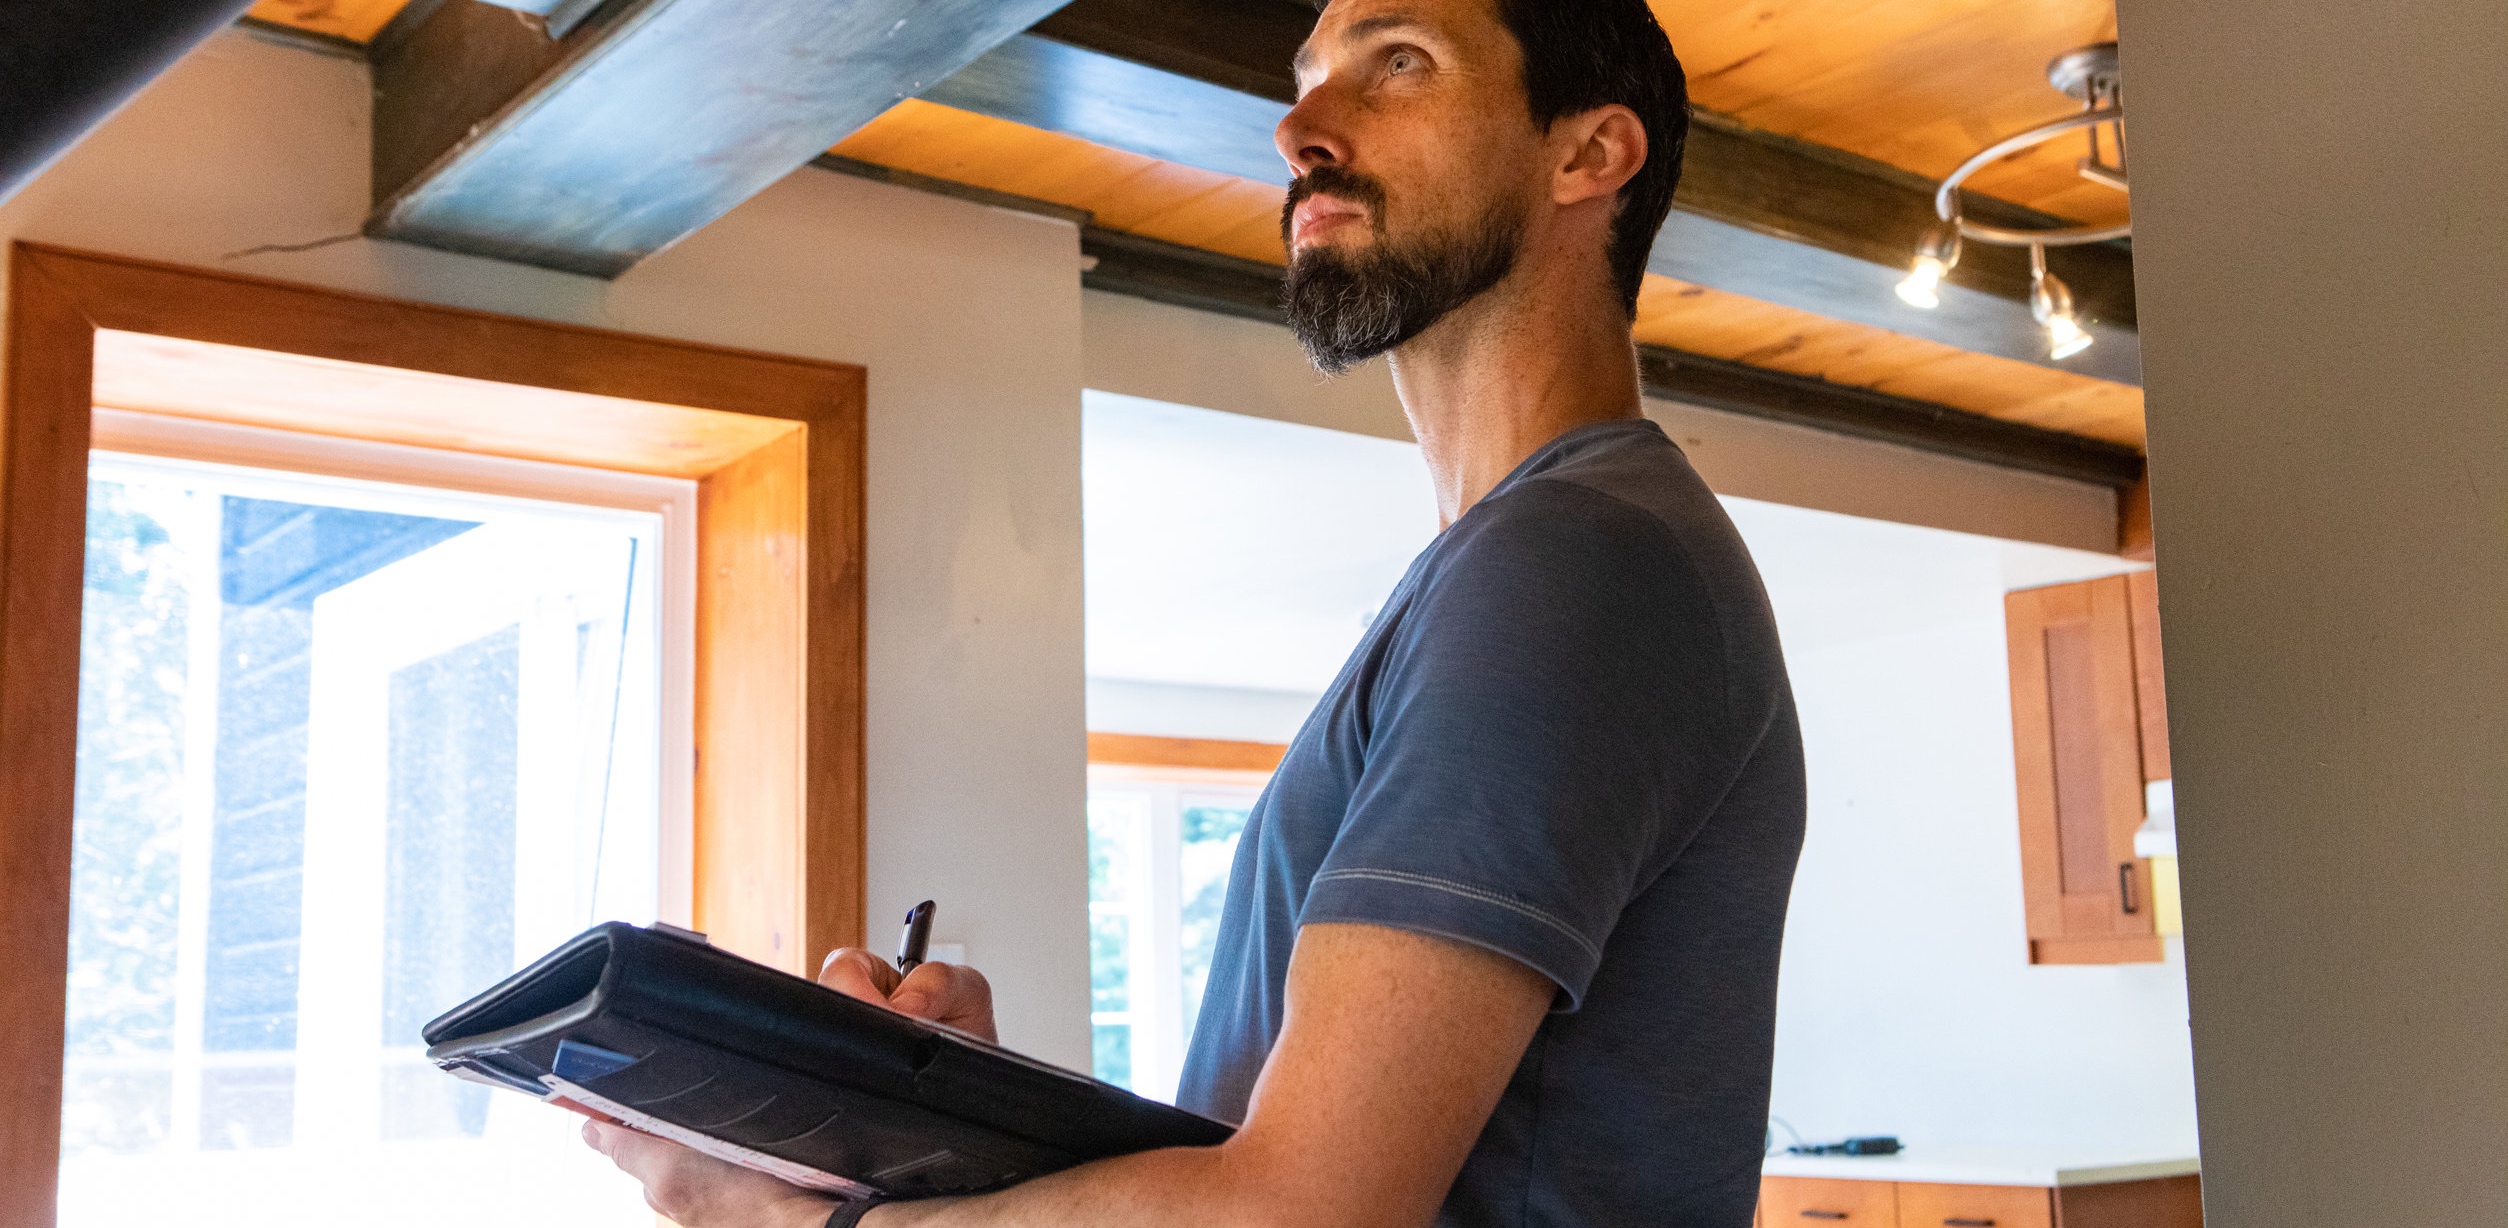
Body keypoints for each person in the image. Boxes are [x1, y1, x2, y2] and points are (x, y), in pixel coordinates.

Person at [585, 0, 1806, 1223]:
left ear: (1587, 155)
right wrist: (974, 1112)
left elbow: (1302, 1211)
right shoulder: (1521, 562)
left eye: (1396, 64)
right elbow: (1263, 1161)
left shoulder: (1573, 562)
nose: (1301, 128)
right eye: (1307, 77)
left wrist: (805, 1221)